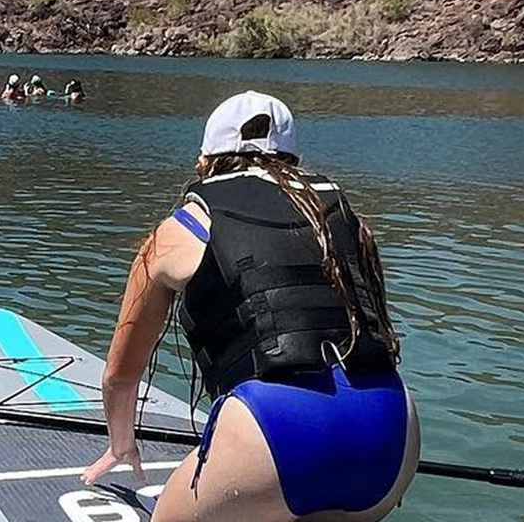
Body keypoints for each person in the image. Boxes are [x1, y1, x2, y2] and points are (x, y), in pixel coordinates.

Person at [82, 91, 416, 522]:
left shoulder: (180, 228)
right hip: (392, 432)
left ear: (204, 163)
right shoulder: (344, 218)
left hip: (272, 433)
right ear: (293, 159)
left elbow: (120, 376)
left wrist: (121, 443)